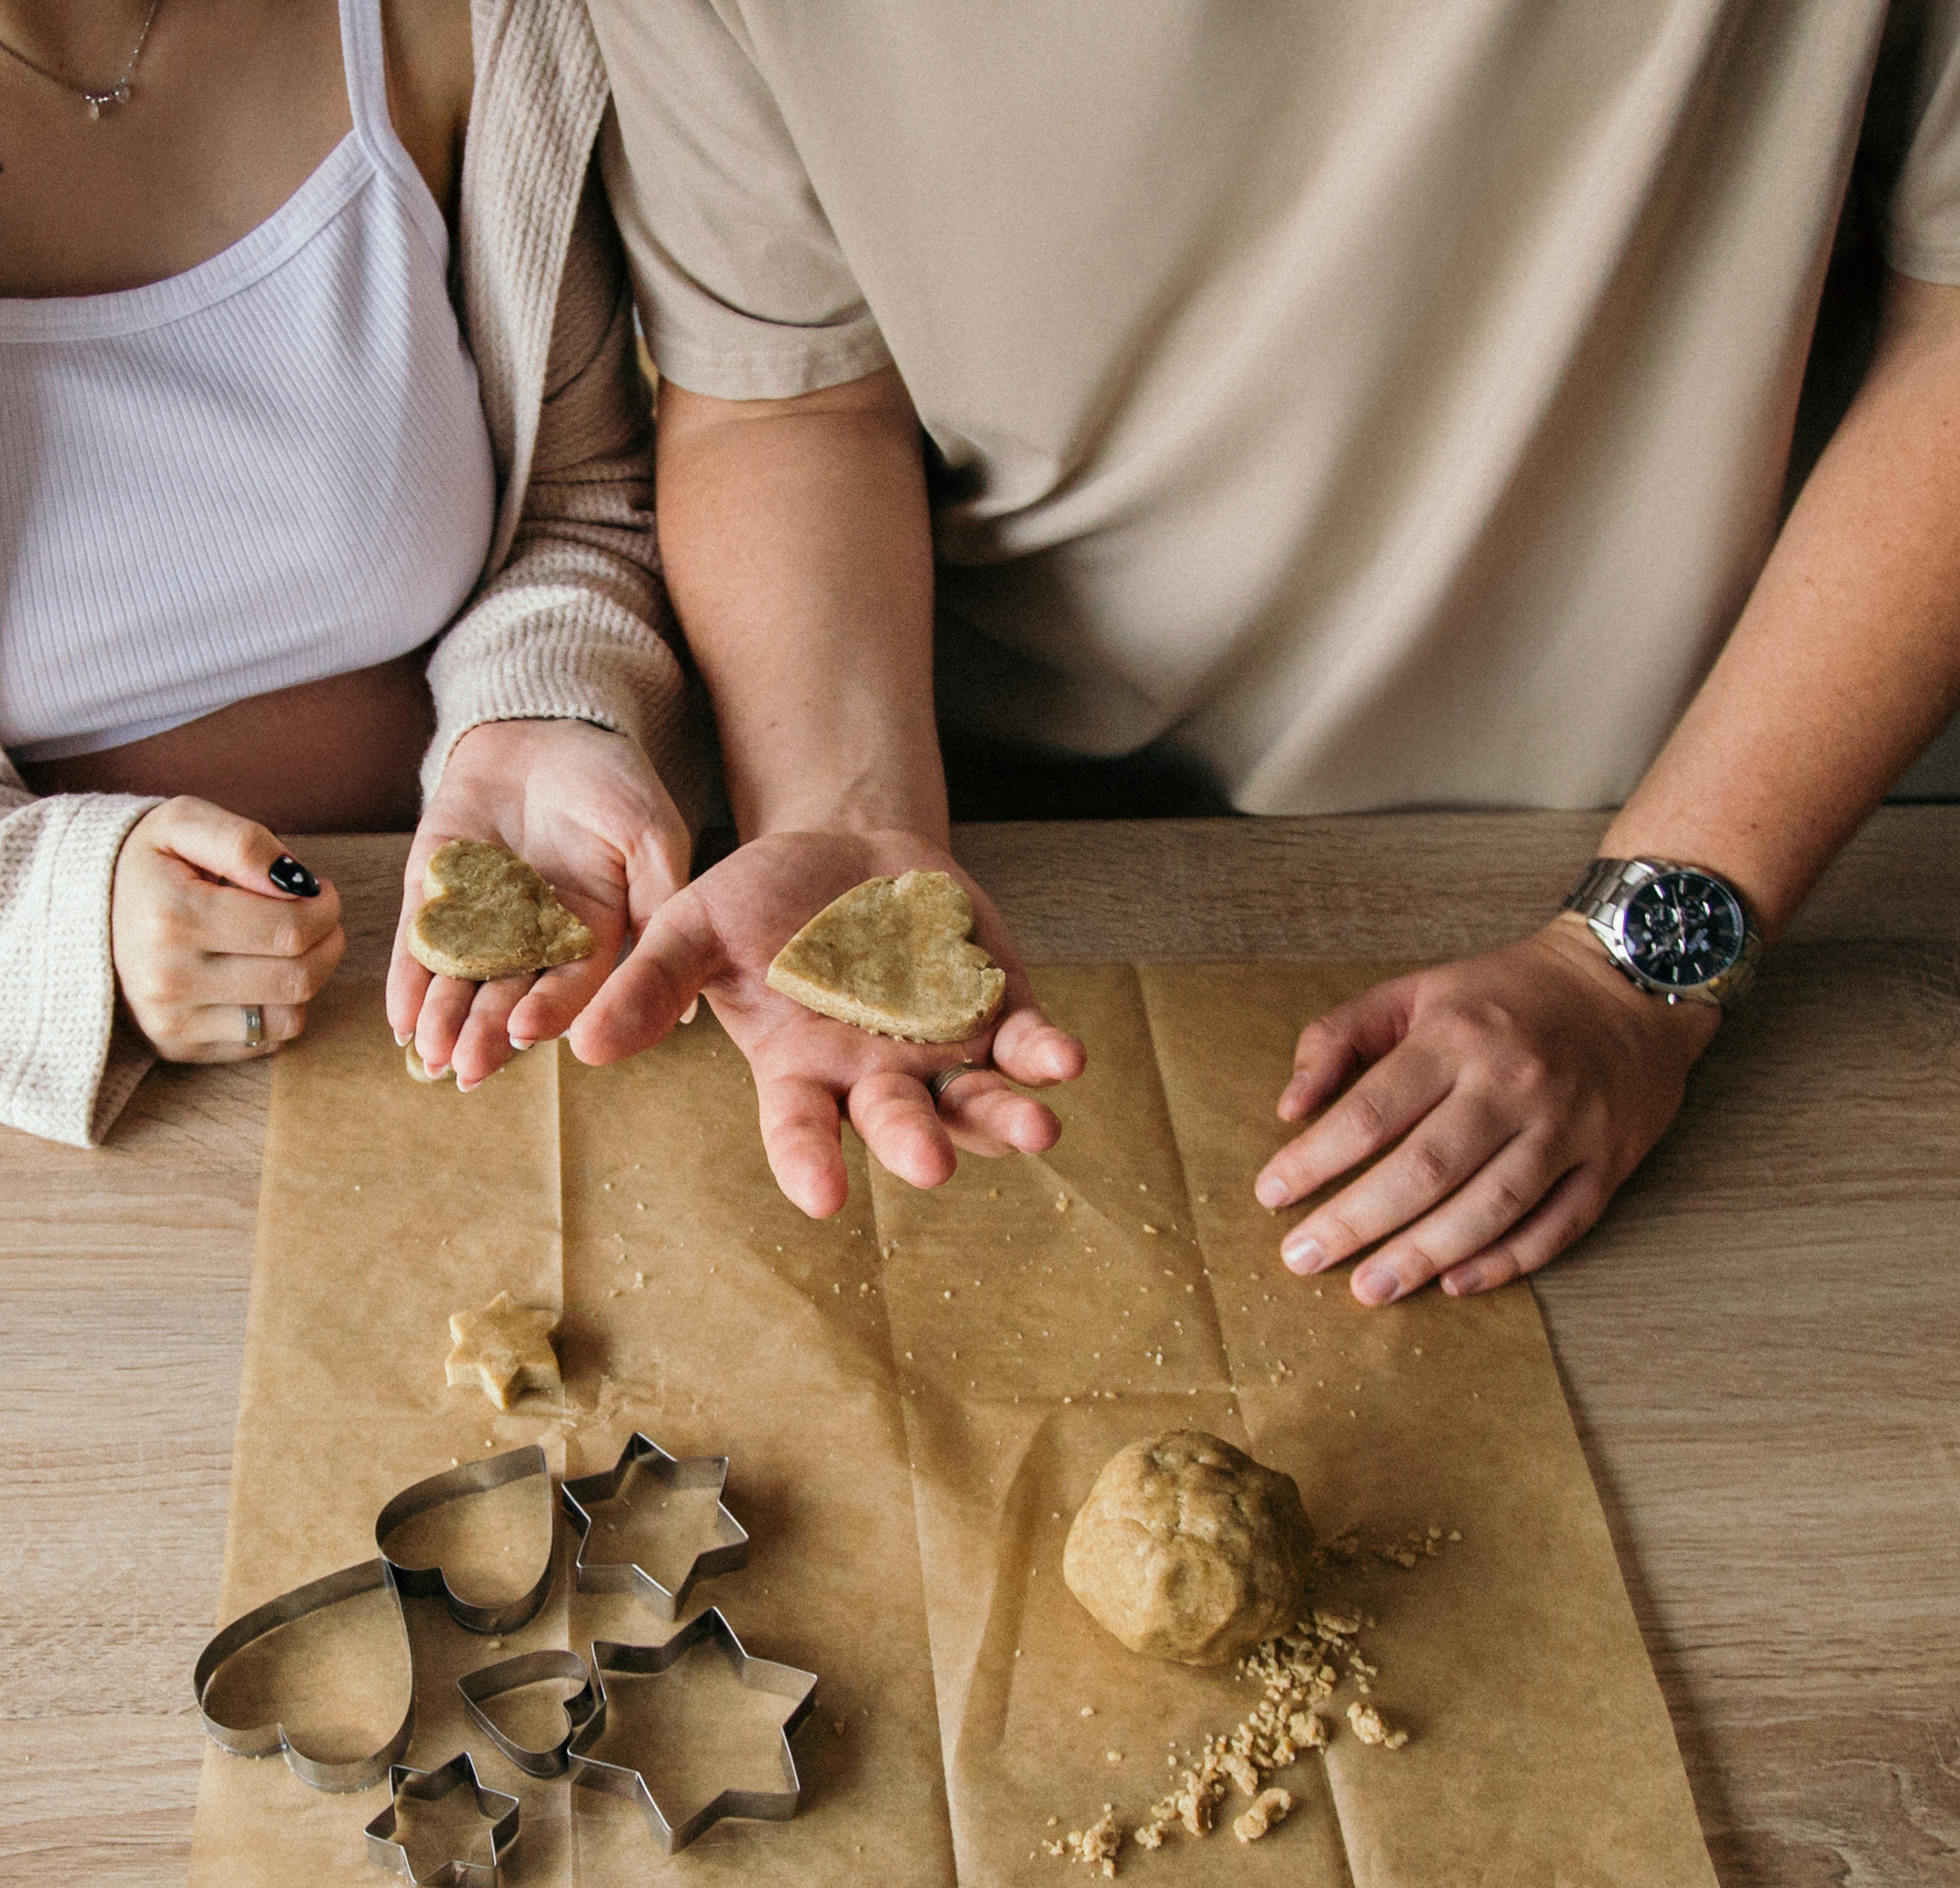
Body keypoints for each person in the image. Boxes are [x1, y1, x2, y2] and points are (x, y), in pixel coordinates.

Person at [570, 0, 1960, 1287]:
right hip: (1006, 847)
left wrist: (1642, 961)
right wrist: (844, 818)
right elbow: (787, 401)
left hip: (1674, 817)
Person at [0, 0, 700, 1143]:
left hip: (543, 1008)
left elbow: (582, 493)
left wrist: (540, 707)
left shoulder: (479, 22)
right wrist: (51, 924)